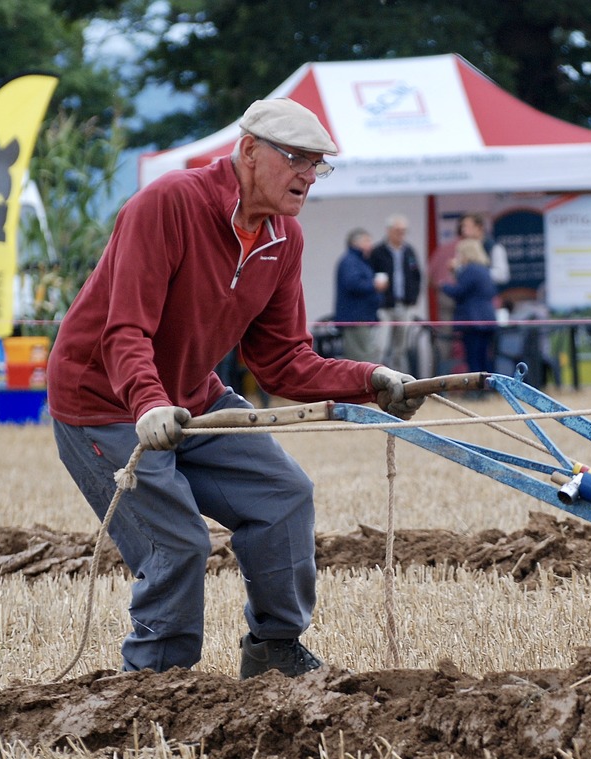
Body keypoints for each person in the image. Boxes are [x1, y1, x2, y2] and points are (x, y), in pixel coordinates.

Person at [45, 97, 424, 681]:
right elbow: (126, 330)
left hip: (192, 398)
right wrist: (146, 402)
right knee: (178, 543)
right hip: (105, 404)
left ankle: (274, 647)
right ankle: (152, 686)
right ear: (249, 151)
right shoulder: (168, 204)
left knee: (284, 495)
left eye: (318, 164)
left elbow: (283, 361)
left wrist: (370, 381)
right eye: (297, 159)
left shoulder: (284, 239)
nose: (308, 175)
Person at [369, 214, 422, 374]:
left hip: (404, 305)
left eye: (404, 231)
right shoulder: (378, 251)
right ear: (389, 231)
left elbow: (417, 276)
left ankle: (399, 380)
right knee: (380, 346)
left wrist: (413, 298)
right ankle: (376, 377)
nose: (401, 234)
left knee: (401, 348)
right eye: (398, 230)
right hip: (385, 306)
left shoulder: (409, 251)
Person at [442, 238, 497, 375]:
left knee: (473, 358)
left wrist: (443, 285)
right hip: (487, 318)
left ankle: (477, 391)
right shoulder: (484, 269)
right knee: (485, 356)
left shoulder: (470, 270)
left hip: (473, 320)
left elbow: (459, 291)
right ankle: (488, 388)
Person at [333, 227, 385, 363]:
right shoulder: (350, 261)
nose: (371, 245)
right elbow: (352, 284)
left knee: (368, 355)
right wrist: (374, 285)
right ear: (355, 243)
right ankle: (362, 385)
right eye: (367, 241)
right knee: (361, 358)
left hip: (364, 317)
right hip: (356, 318)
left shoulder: (360, 261)